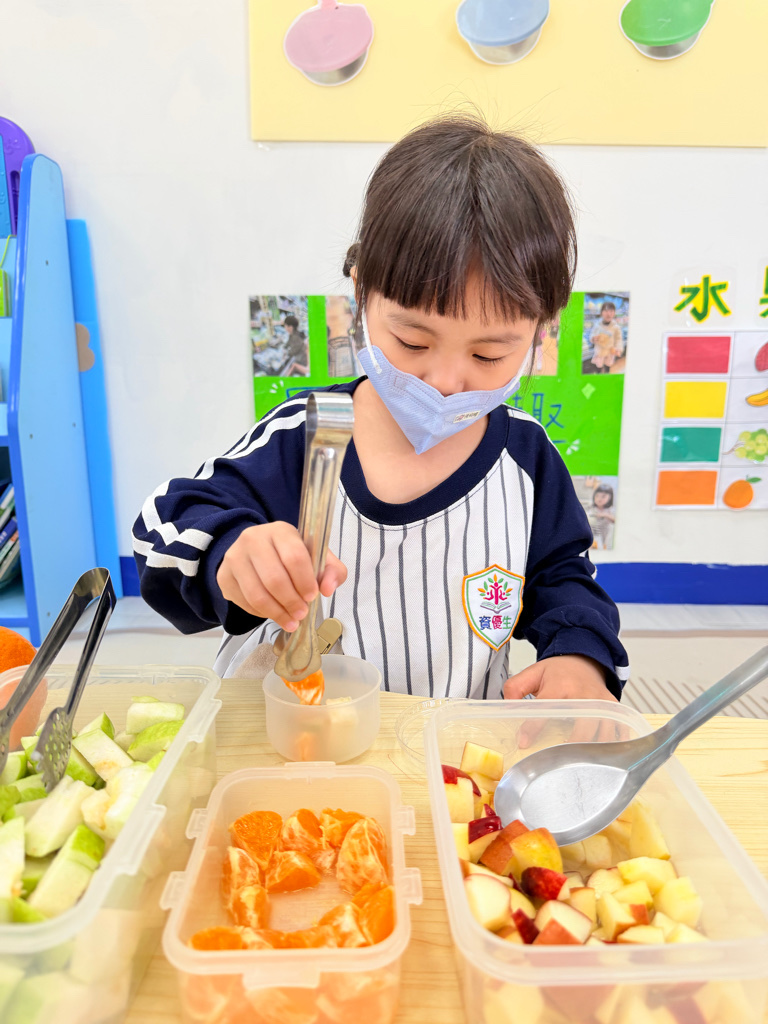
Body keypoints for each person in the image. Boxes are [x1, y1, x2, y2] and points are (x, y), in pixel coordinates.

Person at [132, 114, 629, 705]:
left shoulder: (527, 461)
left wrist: (579, 656)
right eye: (413, 342)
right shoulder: (305, 437)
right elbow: (164, 528)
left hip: (450, 742)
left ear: (543, 327)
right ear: (361, 289)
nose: (445, 382)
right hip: (296, 740)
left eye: (489, 354)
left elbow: (563, 577)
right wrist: (229, 552)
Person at [588, 301, 623, 373]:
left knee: (607, 369)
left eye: (611, 311)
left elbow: (618, 339)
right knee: (598, 368)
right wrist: (593, 338)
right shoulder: (597, 325)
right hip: (599, 352)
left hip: (609, 353)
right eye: (606, 311)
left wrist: (618, 349)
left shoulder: (616, 327)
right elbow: (592, 335)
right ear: (601, 313)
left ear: (614, 313)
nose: (608, 314)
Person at [588, 483, 616, 550]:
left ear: (610, 498)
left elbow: (615, 521)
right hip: (594, 534)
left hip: (606, 534)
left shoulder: (610, 510)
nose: (599, 499)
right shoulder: (592, 508)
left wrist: (605, 515)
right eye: (597, 496)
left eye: (603, 496)